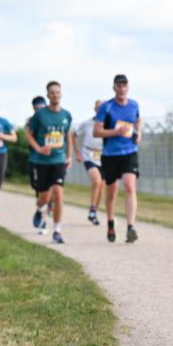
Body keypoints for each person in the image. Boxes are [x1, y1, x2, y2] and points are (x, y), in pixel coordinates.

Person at [94, 75, 141, 243]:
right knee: (112, 191)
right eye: (119, 86)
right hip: (110, 154)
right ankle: (111, 222)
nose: (122, 89)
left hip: (129, 152)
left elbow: (137, 121)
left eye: (124, 86)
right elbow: (96, 132)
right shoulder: (106, 107)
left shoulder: (134, 105)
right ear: (114, 88)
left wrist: (138, 133)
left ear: (128, 87)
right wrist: (116, 132)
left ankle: (131, 227)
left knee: (129, 186)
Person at [26, 81, 73, 244]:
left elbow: (67, 137)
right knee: (44, 196)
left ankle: (57, 230)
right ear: (48, 95)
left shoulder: (66, 115)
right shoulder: (40, 115)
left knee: (58, 193)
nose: (55, 95)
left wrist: (69, 156)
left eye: (58, 92)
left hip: (58, 160)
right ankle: (40, 209)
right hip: (41, 161)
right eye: (52, 92)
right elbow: (29, 133)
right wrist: (38, 149)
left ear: (61, 94)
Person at [71, 99, 105, 225]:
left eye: (103, 106)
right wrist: (77, 153)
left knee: (101, 185)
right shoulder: (87, 123)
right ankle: (92, 209)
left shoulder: (109, 123)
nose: (100, 108)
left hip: (103, 156)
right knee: (96, 180)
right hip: (89, 155)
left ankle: (94, 212)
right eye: (98, 106)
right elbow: (73, 134)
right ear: (94, 108)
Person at [26, 96, 51, 232]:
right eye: (37, 109)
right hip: (36, 160)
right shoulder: (31, 122)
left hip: (53, 160)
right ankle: (41, 208)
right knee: (39, 190)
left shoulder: (53, 119)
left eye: (42, 108)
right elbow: (28, 138)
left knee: (52, 189)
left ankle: (44, 221)